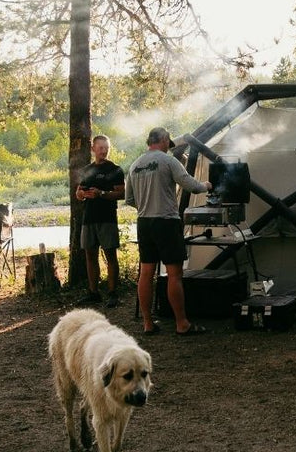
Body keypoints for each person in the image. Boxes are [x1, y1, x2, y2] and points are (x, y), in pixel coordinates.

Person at [126, 127, 212, 336]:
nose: (168, 146)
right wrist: (207, 185)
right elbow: (191, 186)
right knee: (174, 274)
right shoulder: (168, 161)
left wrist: (146, 206)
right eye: (168, 143)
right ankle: (182, 324)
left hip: (144, 223)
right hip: (166, 222)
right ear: (163, 139)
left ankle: (148, 323)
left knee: (146, 273)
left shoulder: (135, 165)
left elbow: (129, 199)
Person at [76, 134, 125, 307]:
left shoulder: (115, 170)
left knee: (110, 254)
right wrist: (82, 194)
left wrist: (102, 194)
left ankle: (112, 293)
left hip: (107, 218)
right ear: (93, 149)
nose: (104, 151)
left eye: (106, 148)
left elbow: (122, 193)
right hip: (88, 217)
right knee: (90, 255)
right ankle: (93, 292)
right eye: (101, 148)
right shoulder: (86, 170)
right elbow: (78, 193)